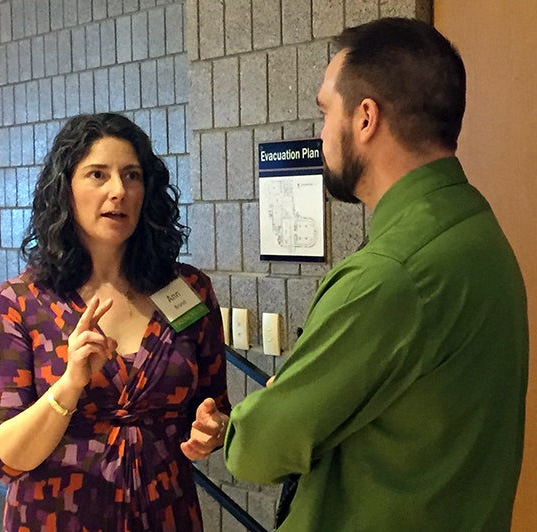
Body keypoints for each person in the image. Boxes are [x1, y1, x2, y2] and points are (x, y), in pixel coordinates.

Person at [222, 17, 529, 531]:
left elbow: (256, 451)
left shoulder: (392, 273)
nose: (320, 134)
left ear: (365, 118)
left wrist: (264, 410)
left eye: (325, 111)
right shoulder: (475, 228)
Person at [0, 112, 231, 532]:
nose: (119, 191)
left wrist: (215, 429)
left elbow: (213, 407)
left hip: (167, 517)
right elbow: (3, 458)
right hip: (58, 519)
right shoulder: (18, 303)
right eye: (98, 174)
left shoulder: (187, 289)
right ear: (66, 191)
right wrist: (69, 384)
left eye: (132, 176)